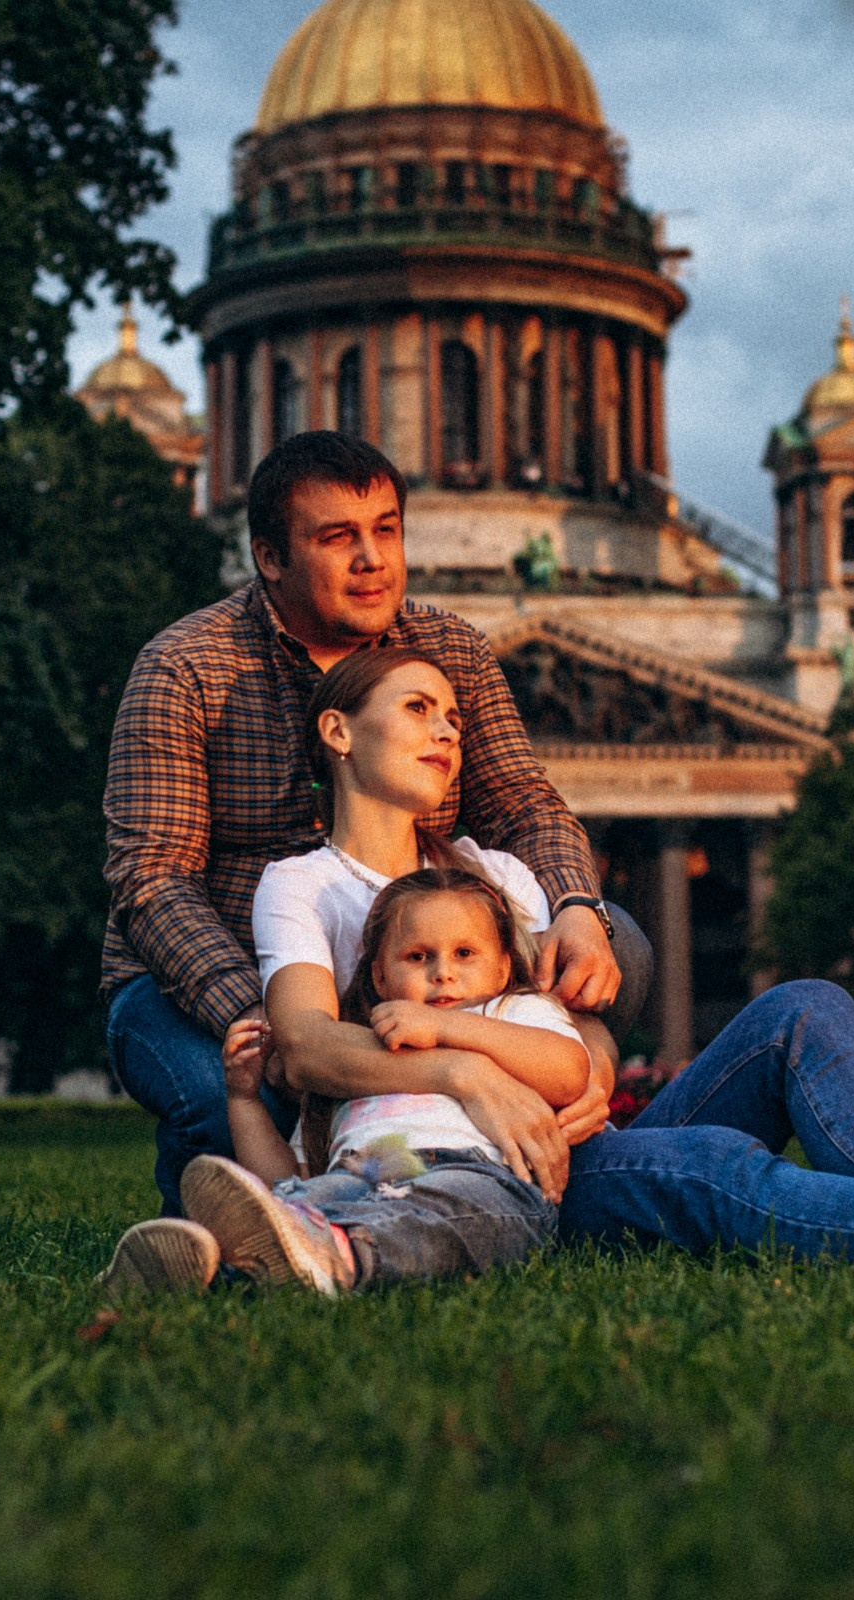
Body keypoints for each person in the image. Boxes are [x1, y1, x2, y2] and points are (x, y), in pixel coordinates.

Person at [104, 647, 854, 1291]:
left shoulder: (499, 869)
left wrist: (580, 1068)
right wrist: (474, 1073)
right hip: (483, 1172)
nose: (452, 733)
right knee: (716, 1167)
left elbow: (580, 1040)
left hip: (572, 1134)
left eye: (454, 713)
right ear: (338, 732)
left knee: (803, 1006)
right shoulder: (304, 882)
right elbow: (300, 1042)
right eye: (420, 711)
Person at [101, 431, 631, 1217]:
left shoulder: (451, 648)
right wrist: (270, 1020)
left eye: (386, 530)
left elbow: (525, 805)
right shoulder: (187, 667)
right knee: (226, 1093)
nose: (373, 559)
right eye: (337, 538)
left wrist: (581, 920)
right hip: (209, 976)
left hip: (412, 959)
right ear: (270, 557)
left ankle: (532, 1157)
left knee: (619, 942)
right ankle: (215, 1217)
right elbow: (152, 878)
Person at [105, 859, 581, 1296]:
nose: (443, 974)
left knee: (440, 1218)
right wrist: (244, 1100)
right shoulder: (355, 1052)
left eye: (464, 953)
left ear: (502, 967)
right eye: (418, 957)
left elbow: (568, 1072)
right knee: (295, 1204)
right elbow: (285, 1176)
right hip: (361, 1174)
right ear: (379, 977)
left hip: (478, 1177)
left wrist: (445, 1026)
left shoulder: (511, 1011)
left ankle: (335, 1254)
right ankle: (216, 1266)